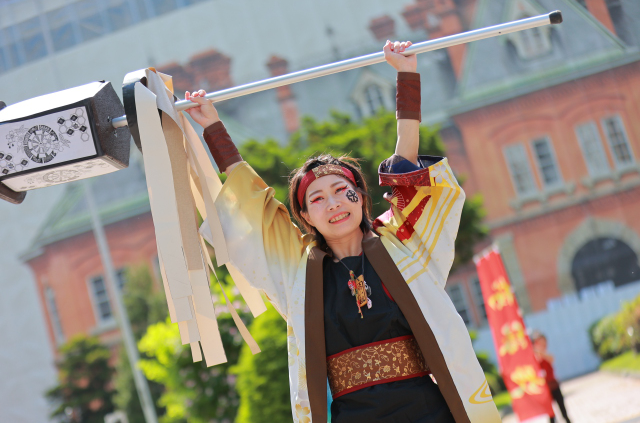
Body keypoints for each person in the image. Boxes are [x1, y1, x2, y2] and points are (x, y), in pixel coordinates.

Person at [186, 40, 500, 423]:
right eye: (317, 198)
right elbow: (253, 210)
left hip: (427, 412)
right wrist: (213, 128)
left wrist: (406, 76)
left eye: (340, 190)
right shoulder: (298, 271)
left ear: (361, 197)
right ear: (304, 216)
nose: (333, 203)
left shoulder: (401, 242)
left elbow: (406, 169)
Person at [532, 331, 572, 423]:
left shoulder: (546, 355)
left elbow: (551, 358)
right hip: (545, 389)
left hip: (554, 386)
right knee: (551, 415)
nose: (543, 345)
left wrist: (539, 352)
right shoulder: (534, 359)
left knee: (564, 412)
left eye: (544, 342)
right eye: (540, 343)